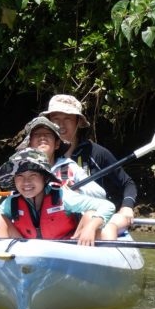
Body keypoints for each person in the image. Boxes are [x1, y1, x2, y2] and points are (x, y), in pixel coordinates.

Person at [0, 148, 117, 246]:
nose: (26, 182)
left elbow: (108, 206)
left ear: (44, 178)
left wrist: (92, 226)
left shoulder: (63, 196)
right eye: (20, 176)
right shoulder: (11, 203)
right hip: (27, 255)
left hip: (68, 251)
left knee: (92, 216)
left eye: (33, 175)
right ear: (14, 181)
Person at [40, 94, 138, 233]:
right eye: (55, 119)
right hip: (55, 222)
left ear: (78, 122)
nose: (61, 124)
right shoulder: (41, 155)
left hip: (92, 217)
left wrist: (127, 206)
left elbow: (127, 183)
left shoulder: (97, 153)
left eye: (67, 118)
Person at [17, 116, 106, 198]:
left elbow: (100, 193)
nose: (42, 137)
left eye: (48, 134)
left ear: (57, 144)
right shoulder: (18, 168)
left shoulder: (69, 167)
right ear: (29, 143)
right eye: (36, 134)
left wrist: (77, 189)